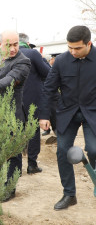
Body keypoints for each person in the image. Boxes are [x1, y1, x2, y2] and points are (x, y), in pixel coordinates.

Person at [39, 25, 96, 210]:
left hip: (92, 112)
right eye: (70, 47)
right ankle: (69, 194)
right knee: (62, 151)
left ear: (89, 43)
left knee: (94, 150)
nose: (72, 52)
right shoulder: (61, 61)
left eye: (77, 48)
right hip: (67, 113)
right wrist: (44, 115)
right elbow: (48, 88)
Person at [0, 30, 31, 201]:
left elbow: (8, 80)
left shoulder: (23, 61)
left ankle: (10, 188)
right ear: (0, 44)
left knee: (12, 153)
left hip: (12, 115)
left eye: (16, 44)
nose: (13, 48)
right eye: (9, 45)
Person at [19, 33, 51, 174]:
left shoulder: (5, 54)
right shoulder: (32, 53)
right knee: (32, 131)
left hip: (12, 100)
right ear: (27, 42)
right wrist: (43, 60)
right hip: (32, 99)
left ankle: (15, 167)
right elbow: (48, 73)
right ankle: (32, 164)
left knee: (15, 131)